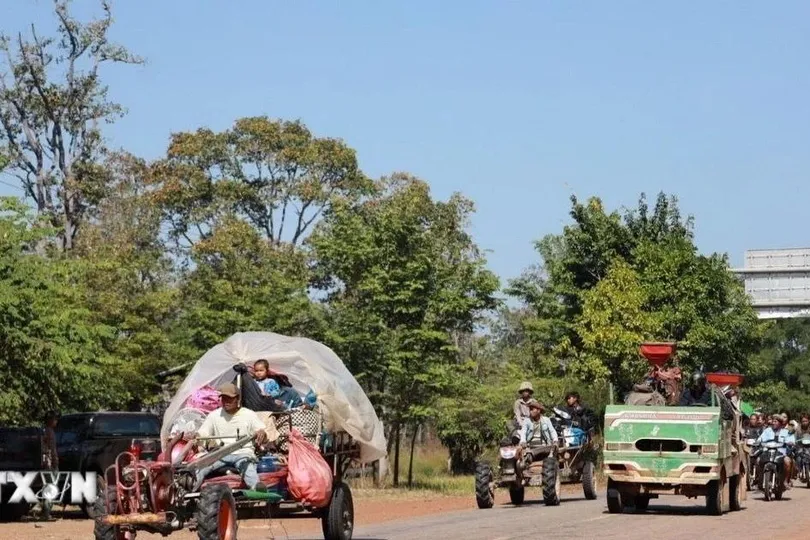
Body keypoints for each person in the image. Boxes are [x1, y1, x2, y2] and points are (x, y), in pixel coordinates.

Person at [185, 383, 268, 492]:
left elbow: (262, 433)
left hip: (242, 452)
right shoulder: (214, 415)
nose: (226, 401)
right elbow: (203, 433)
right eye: (224, 398)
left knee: (248, 467)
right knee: (202, 467)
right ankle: (190, 489)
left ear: (237, 399)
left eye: (229, 398)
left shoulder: (249, 414)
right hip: (220, 453)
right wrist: (196, 437)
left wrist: (261, 433)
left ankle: (257, 488)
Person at [757, 413, 795, 489]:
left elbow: (792, 440)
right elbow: (760, 439)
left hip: (781, 453)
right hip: (767, 452)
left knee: (787, 461)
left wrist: (790, 442)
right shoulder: (767, 430)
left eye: (776, 421)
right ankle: (760, 480)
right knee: (758, 460)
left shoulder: (786, 432)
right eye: (773, 421)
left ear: (780, 423)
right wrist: (757, 442)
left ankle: (785, 481)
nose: (773, 423)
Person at [41, 411, 59, 521]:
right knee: (51, 487)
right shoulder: (50, 432)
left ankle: (44, 512)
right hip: (50, 463)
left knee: (46, 486)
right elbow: (52, 449)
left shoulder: (42, 431)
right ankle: (47, 513)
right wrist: (55, 462)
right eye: (55, 419)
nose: (56, 421)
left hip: (44, 463)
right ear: (50, 421)